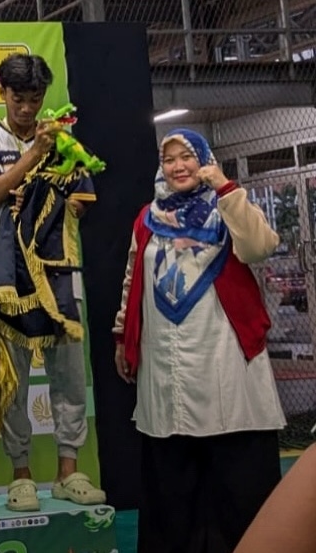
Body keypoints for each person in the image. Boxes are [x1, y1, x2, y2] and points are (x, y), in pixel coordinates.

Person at [113, 128, 285, 553]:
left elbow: (260, 247)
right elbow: (133, 278)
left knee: (232, 465)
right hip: (165, 358)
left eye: (187, 157)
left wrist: (225, 187)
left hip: (221, 349)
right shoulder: (147, 218)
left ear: (204, 159)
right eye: (169, 159)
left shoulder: (228, 206)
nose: (178, 167)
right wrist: (122, 335)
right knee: (172, 473)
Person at [0, 53, 104, 512]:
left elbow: (82, 200)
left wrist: (49, 198)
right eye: (18, 98)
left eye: (35, 99)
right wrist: (36, 155)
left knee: (70, 377)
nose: (27, 108)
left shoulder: (64, 139)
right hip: (8, 279)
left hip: (59, 276)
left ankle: (69, 470)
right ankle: (20, 473)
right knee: (13, 382)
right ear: (2, 93)